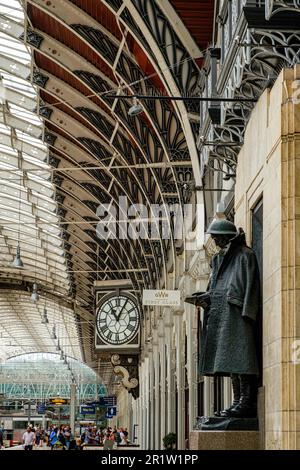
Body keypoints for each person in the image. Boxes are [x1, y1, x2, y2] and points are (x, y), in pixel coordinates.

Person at [198, 219, 260, 418]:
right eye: (213, 237)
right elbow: (215, 287)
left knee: (241, 360)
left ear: (227, 236)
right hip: (221, 314)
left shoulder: (245, 255)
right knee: (230, 362)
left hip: (237, 315)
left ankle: (246, 402)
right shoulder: (218, 259)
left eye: (216, 237)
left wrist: (248, 313)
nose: (214, 241)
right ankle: (236, 401)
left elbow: (251, 287)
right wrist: (205, 297)